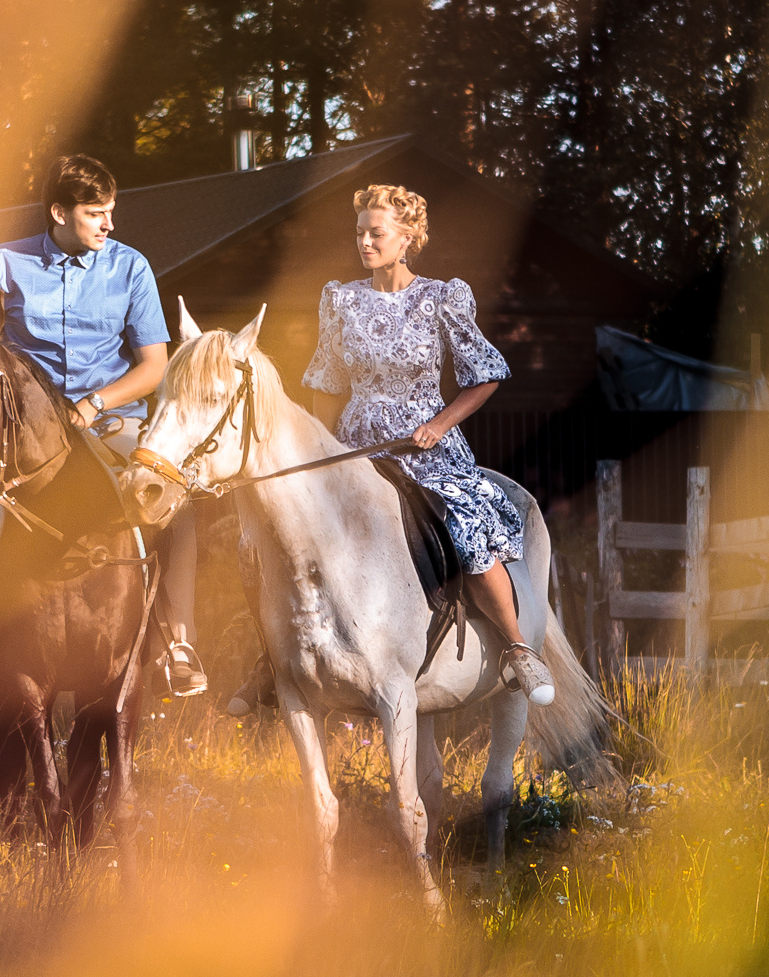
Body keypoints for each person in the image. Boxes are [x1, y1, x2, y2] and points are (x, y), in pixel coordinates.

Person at [229, 183, 551, 710]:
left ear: (407, 240)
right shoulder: (341, 300)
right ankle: (272, 657)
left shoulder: (441, 298)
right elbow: (326, 382)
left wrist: (440, 425)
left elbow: (486, 374)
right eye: (359, 233)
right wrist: (317, 454)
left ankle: (517, 646)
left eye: (376, 233)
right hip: (355, 449)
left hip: (426, 448)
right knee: (271, 538)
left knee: (467, 525)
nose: (364, 242)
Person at [0, 154, 209, 695]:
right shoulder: (2, 264)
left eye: (110, 212)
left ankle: (178, 642)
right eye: (96, 213)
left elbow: (153, 366)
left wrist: (94, 404)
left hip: (110, 421)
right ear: (58, 211)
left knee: (176, 504)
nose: (109, 224)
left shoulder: (130, 267)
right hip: (22, 432)